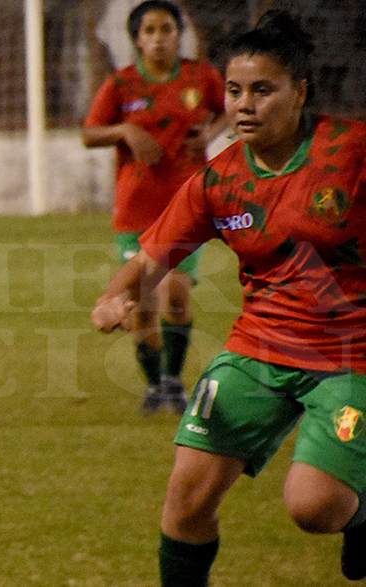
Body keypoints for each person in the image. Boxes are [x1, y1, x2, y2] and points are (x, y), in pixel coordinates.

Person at [92, 10, 366, 585]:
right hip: (258, 350)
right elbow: (149, 259)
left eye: (263, 90)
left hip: (350, 355)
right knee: (186, 499)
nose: (244, 105)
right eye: (237, 91)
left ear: (301, 93)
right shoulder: (219, 181)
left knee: (313, 508)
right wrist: (115, 297)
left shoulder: (351, 150)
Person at [83, 0, 226, 415]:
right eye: (150, 31)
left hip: (187, 206)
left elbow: (225, 111)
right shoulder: (123, 85)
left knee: (176, 293)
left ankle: (174, 381)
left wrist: (211, 134)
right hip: (136, 209)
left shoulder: (201, 75)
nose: (159, 37)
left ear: (180, 33)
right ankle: (158, 386)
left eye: (167, 28)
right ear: (137, 40)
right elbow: (89, 133)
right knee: (143, 302)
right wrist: (125, 129)